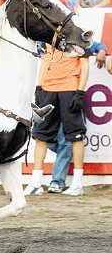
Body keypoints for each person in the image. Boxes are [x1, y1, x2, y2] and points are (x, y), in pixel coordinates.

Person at [24, 41, 91, 196]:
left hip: (69, 88)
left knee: (76, 135)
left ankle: (77, 184)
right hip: (48, 90)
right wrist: (39, 87)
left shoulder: (78, 37)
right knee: (40, 135)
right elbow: (45, 60)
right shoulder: (49, 36)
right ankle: (35, 183)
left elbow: (85, 65)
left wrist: (80, 92)